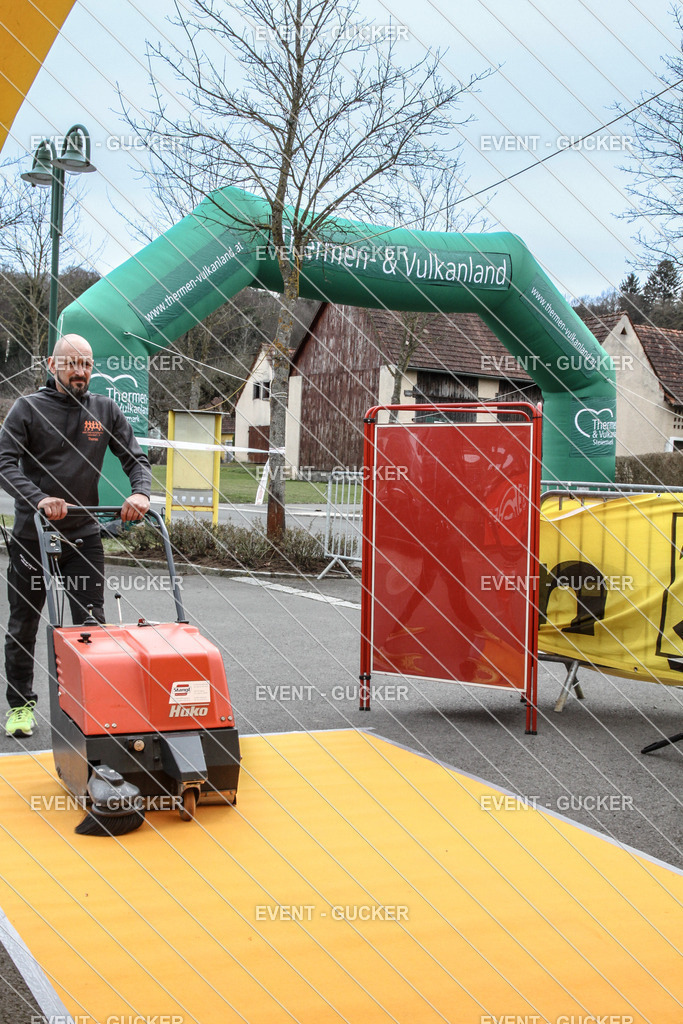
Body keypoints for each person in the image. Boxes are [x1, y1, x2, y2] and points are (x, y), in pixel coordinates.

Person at [0, 334, 152, 738]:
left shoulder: (104, 409)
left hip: (83, 534)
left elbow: (135, 457)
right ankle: (20, 706)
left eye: (86, 364)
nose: (80, 371)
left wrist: (140, 491)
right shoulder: (27, 409)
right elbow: (4, 463)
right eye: (71, 363)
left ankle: (96, 706)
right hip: (34, 538)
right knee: (24, 624)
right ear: (52, 364)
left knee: (91, 625)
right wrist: (38, 498)